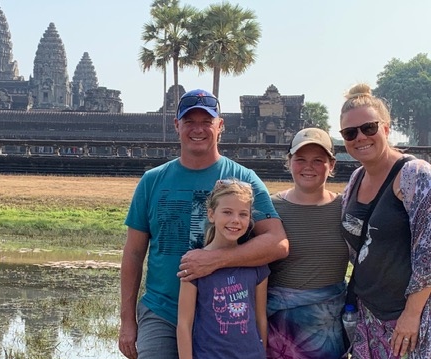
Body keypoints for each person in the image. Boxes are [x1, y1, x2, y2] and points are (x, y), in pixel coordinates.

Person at [118, 88, 289, 359]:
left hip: (223, 317)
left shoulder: (242, 178)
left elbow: (278, 243)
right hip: (164, 311)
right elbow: (134, 253)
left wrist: (217, 259)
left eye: (206, 122)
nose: (198, 129)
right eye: (189, 122)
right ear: (177, 126)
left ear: (220, 126)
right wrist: (127, 321)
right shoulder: (152, 181)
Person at [339, 83, 431, 358]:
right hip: (369, 314)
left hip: (410, 318)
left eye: (369, 128)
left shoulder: (415, 175)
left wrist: (412, 314)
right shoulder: (356, 179)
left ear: (386, 128)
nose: (360, 137)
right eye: (350, 132)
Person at [265, 127, 349, 359]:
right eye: (300, 159)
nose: (308, 166)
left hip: (327, 326)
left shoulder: (346, 208)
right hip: (279, 327)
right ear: (289, 162)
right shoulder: (267, 207)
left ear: (331, 165)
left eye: (318, 160)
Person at [177, 179, 270, 359]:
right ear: (211, 215)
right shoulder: (193, 264)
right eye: (227, 212)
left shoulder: (257, 264)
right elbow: (184, 324)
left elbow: (261, 319)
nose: (235, 220)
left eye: (243, 214)